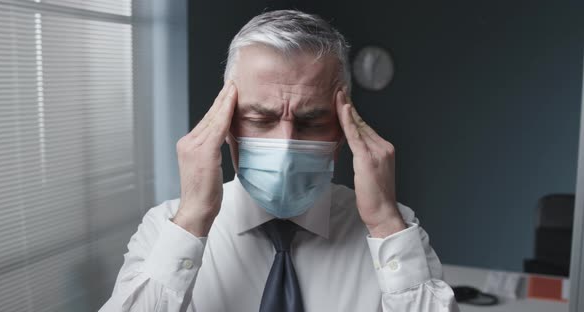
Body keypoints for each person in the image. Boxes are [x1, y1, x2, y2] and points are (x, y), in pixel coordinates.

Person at [100, 10, 459, 312]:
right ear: (225, 125)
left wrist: (385, 223)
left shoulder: (394, 233)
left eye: (311, 122)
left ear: (342, 130)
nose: (286, 145)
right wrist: (192, 220)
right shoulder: (166, 229)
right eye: (261, 120)